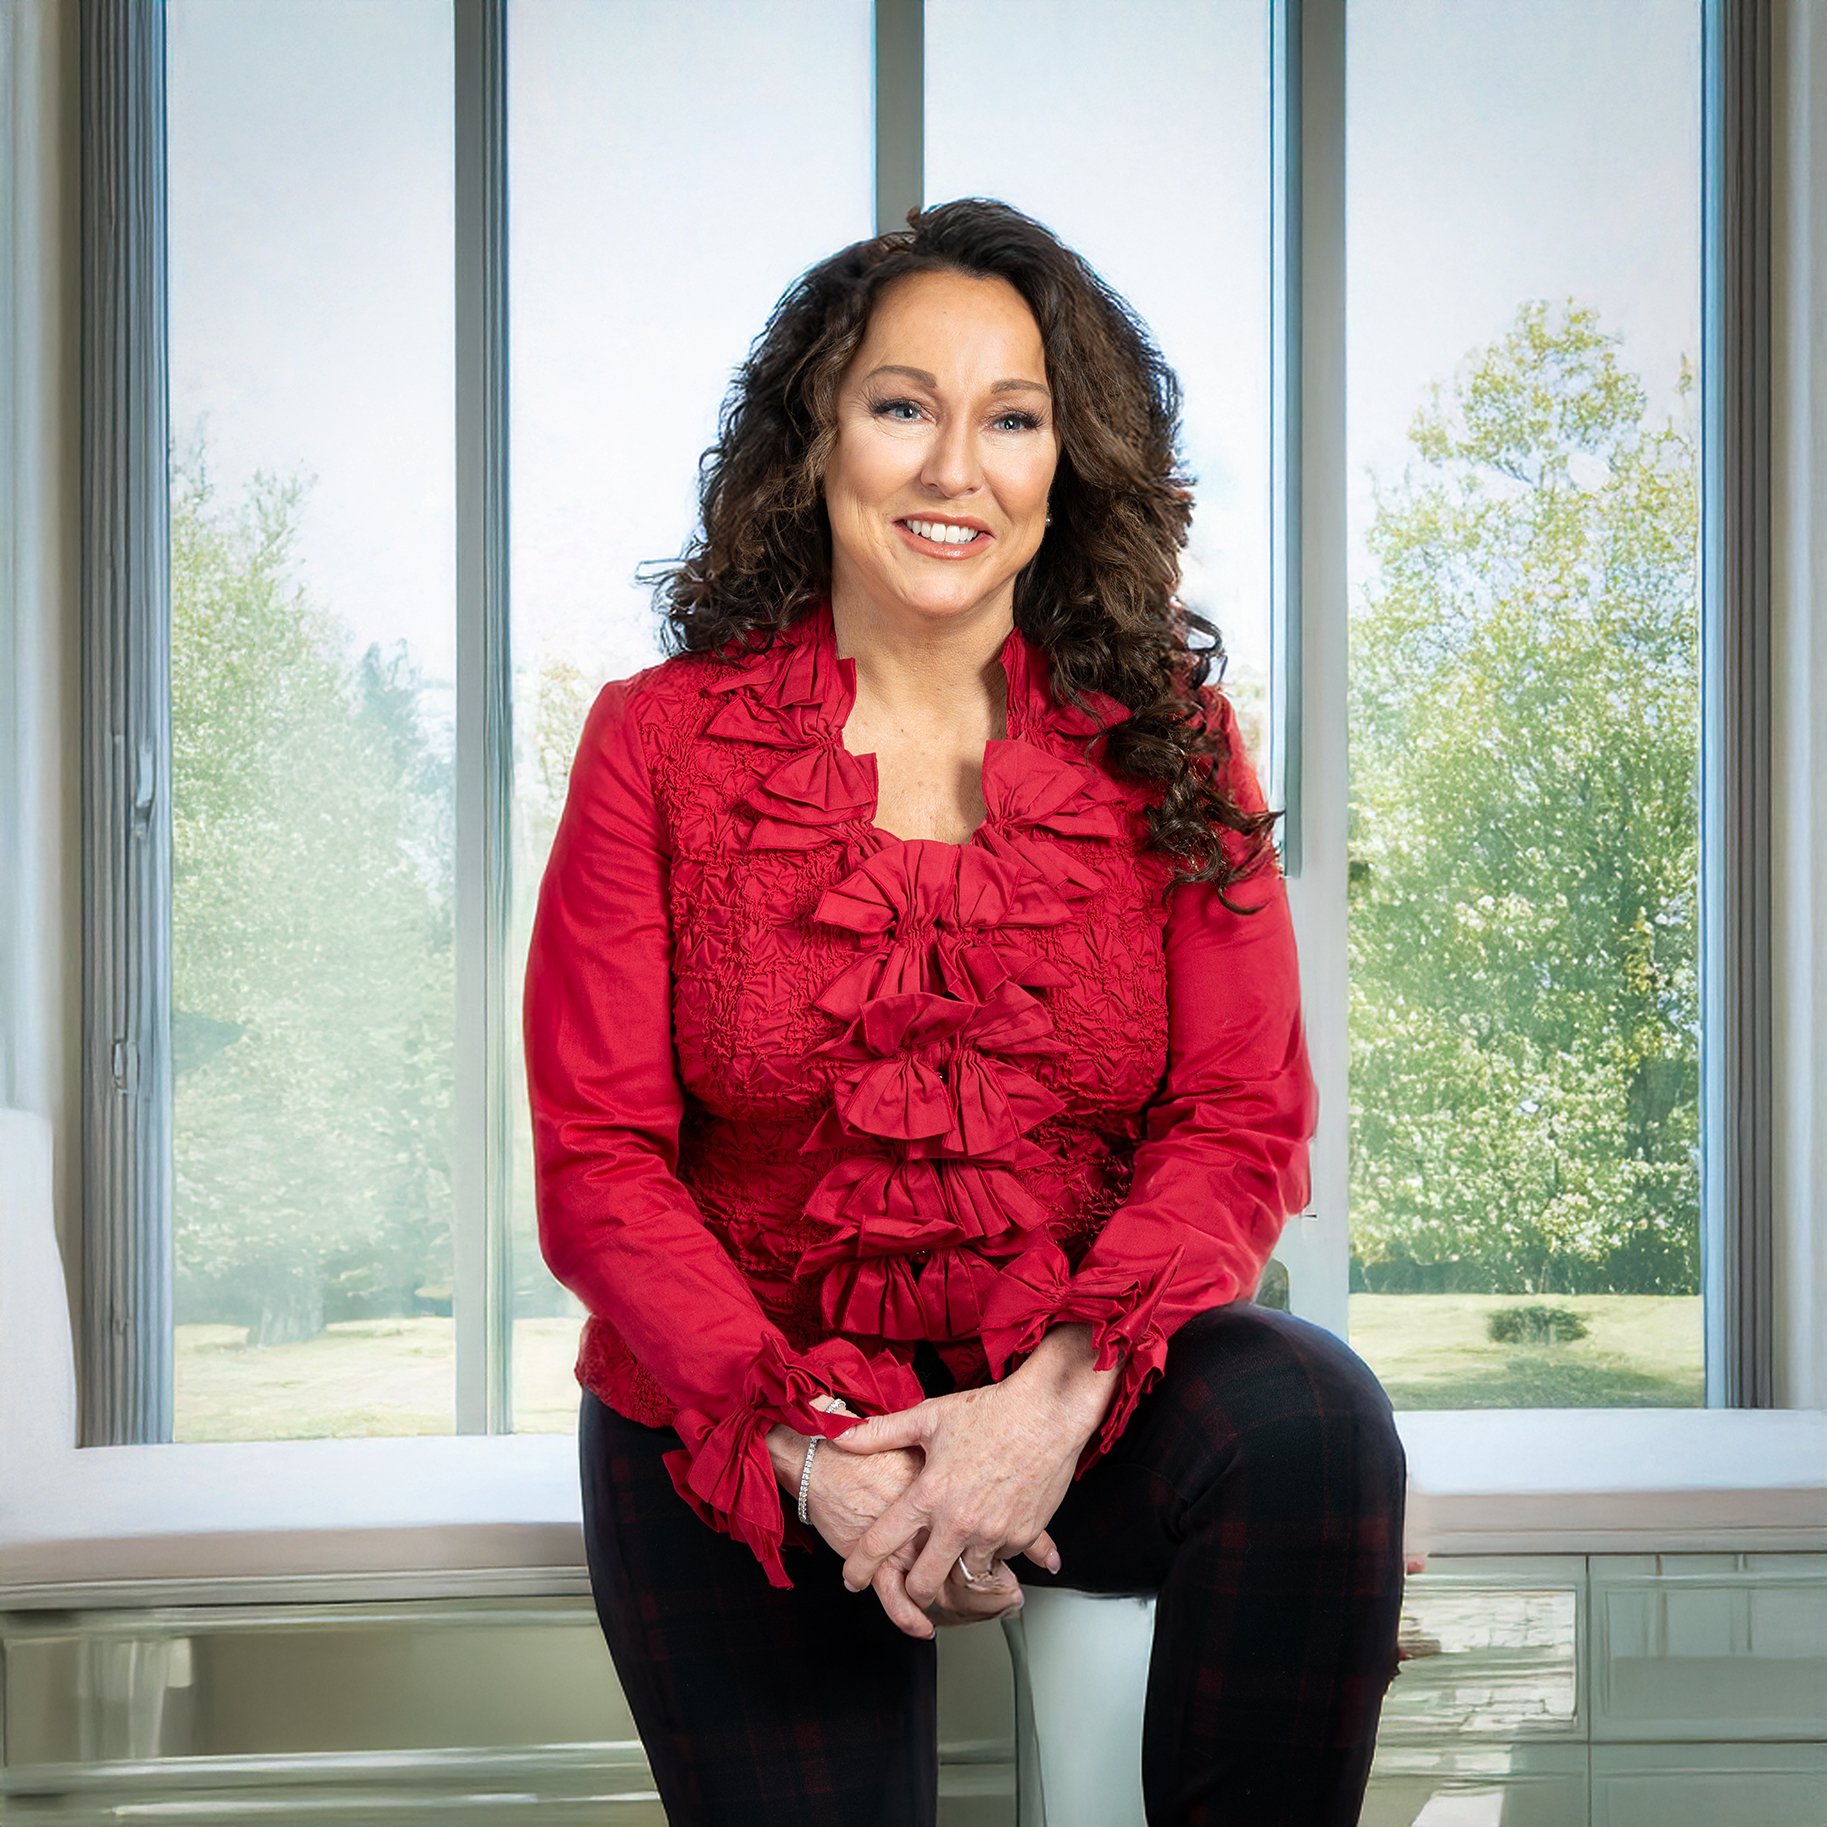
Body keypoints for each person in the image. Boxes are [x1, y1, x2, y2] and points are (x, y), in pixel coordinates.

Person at [523, 197, 1410, 1827]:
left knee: (1313, 1423)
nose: (956, 470)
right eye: (902, 406)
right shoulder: (652, 744)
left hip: (1079, 1387)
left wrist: (1044, 1413)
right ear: (819, 435)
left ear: (1067, 464)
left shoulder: (1173, 743)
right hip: (749, 1427)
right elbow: (598, 1161)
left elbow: (1239, 1121)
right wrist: (814, 1458)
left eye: (1013, 418)